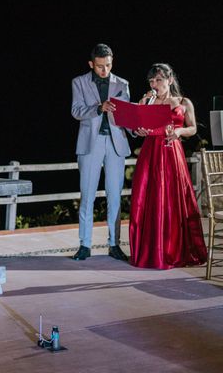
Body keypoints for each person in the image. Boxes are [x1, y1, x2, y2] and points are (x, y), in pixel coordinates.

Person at [129, 63, 207, 269]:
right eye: (152, 81)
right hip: (150, 153)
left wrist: (179, 132)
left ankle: (173, 249)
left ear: (170, 80)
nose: (155, 84)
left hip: (172, 152)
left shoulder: (183, 102)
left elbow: (191, 127)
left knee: (173, 199)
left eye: (159, 80)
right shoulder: (148, 101)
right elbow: (136, 128)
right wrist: (140, 125)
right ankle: (150, 251)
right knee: (148, 198)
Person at [71, 43, 131, 261]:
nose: (104, 70)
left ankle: (114, 244)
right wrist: (98, 108)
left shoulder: (123, 84)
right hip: (91, 143)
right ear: (91, 64)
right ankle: (84, 245)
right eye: (99, 66)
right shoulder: (78, 82)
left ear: (112, 61)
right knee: (87, 195)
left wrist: (138, 127)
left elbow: (127, 117)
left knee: (115, 197)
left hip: (116, 143)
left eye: (108, 65)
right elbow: (76, 111)